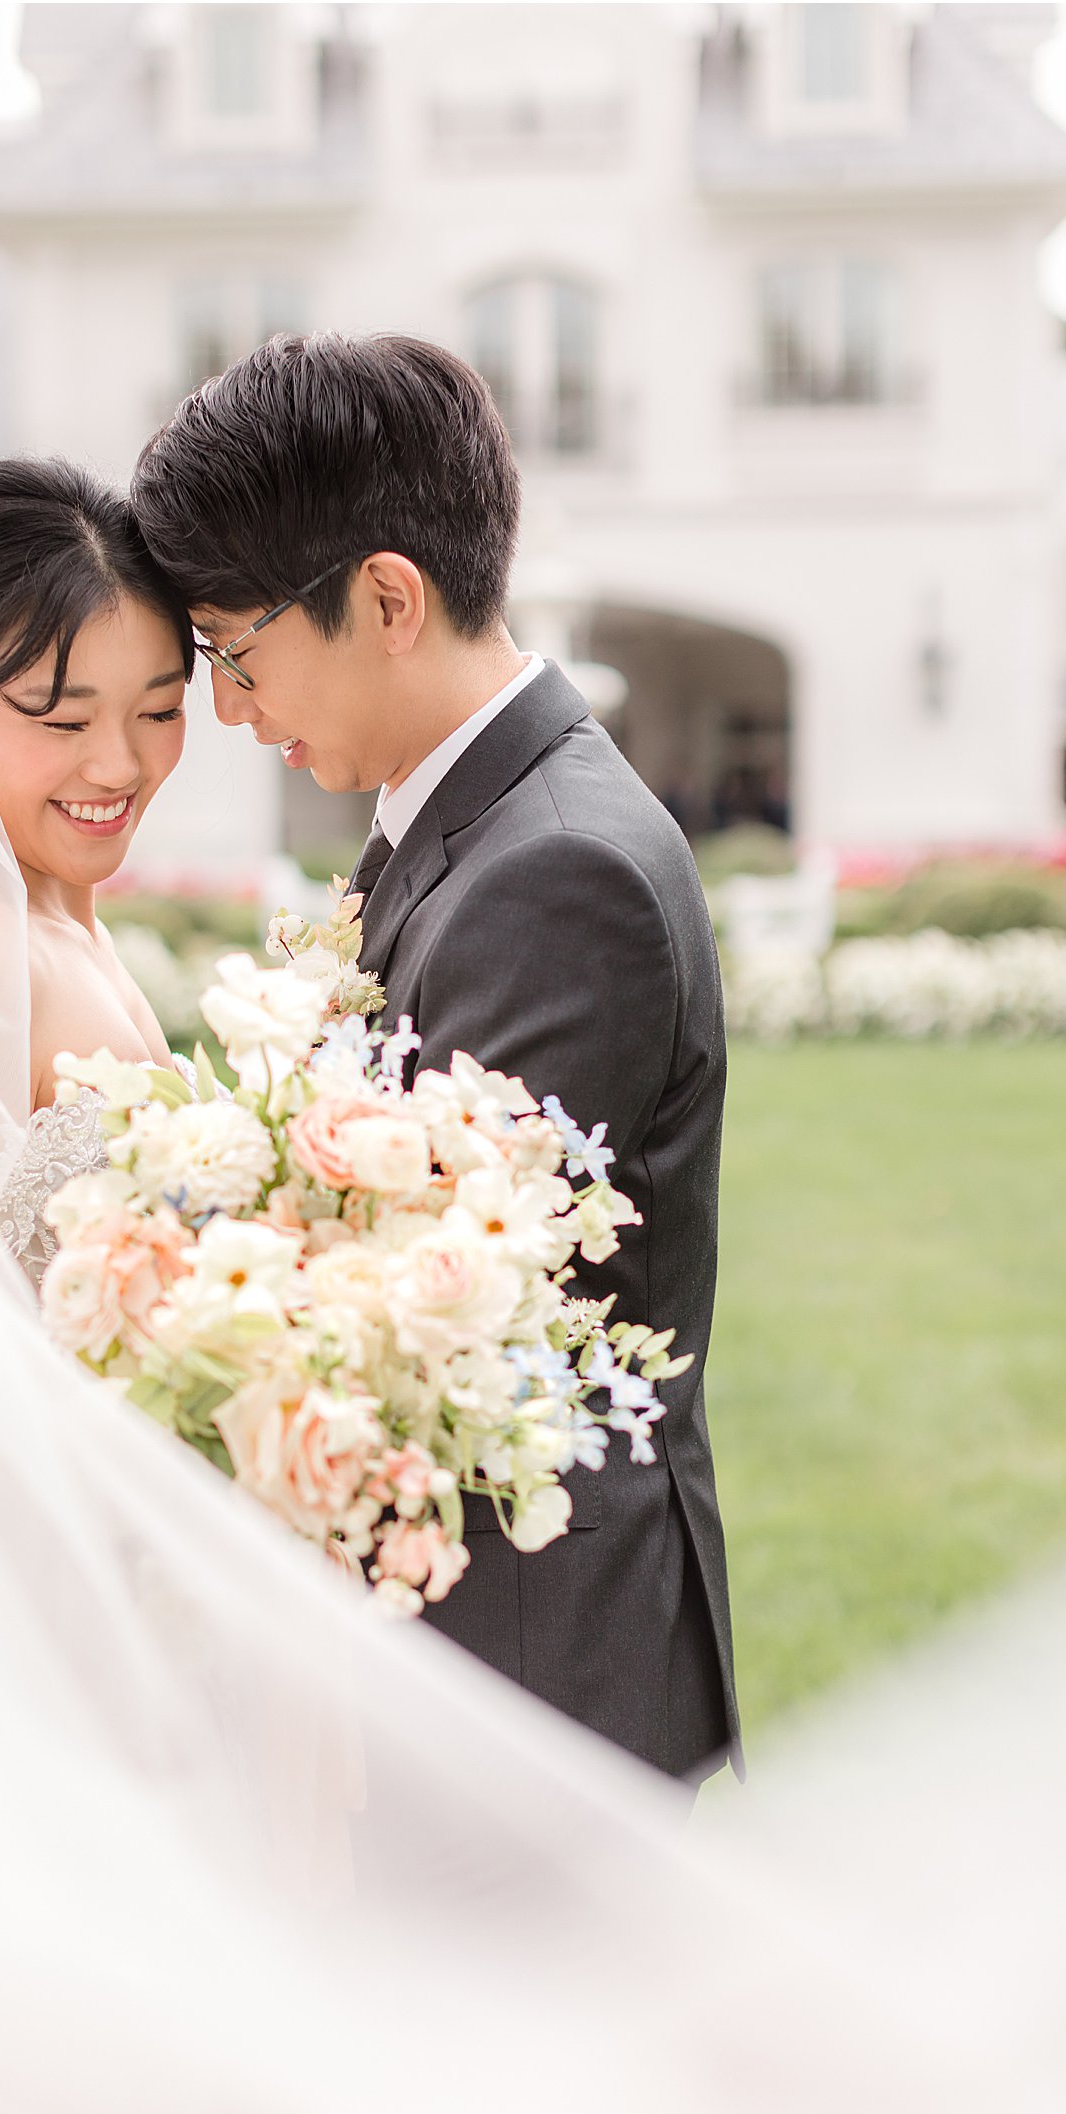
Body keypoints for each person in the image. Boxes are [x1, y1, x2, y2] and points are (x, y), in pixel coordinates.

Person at [0, 459, 1062, 2114]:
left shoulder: (65, 917)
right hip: (34, 1633)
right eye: (57, 717)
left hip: (135, 1631)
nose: (119, 759)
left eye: (156, 706)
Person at [132, 331, 737, 1783]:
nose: (226, 706)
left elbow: (415, 1301)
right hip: (478, 1635)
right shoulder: (477, 821)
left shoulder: (557, 870)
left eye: (233, 649)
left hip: (531, 1663)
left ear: (385, 596)